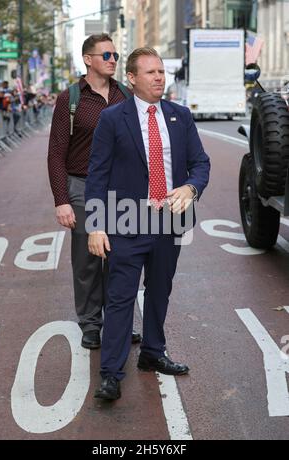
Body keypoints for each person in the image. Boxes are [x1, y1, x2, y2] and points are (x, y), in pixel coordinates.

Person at [85, 47, 210, 400]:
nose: (159, 77)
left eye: (161, 72)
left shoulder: (180, 116)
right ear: (132, 78)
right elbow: (97, 175)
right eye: (151, 72)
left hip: (170, 220)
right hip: (126, 221)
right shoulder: (112, 119)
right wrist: (96, 225)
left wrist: (190, 187)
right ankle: (111, 372)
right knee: (121, 297)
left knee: (160, 289)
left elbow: (201, 163)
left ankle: (153, 352)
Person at [48, 34, 141, 350]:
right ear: (88, 59)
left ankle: (118, 322)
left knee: (120, 259)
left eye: (115, 54)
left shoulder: (127, 96)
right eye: (106, 55)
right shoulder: (70, 99)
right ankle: (90, 324)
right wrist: (62, 200)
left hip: (122, 189)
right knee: (88, 260)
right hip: (83, 187)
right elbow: (56, 153)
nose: (113, 59)